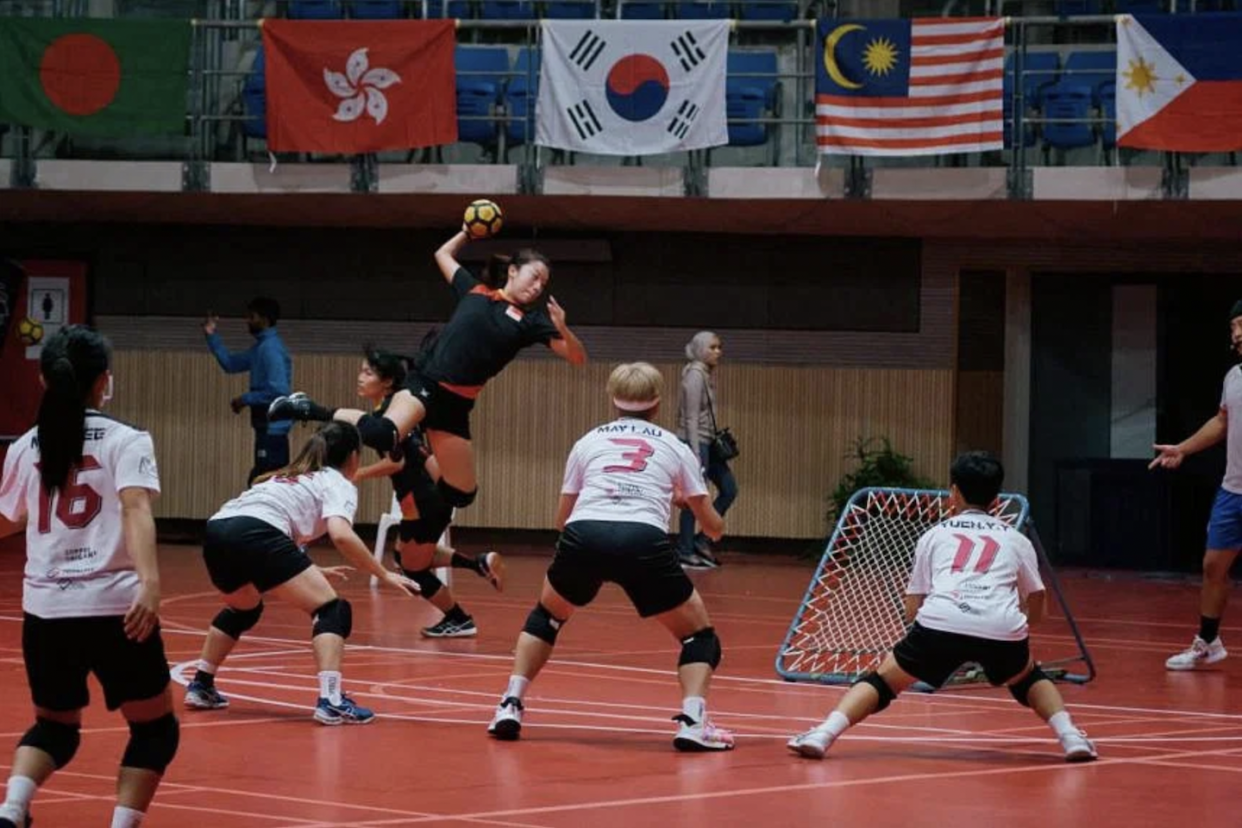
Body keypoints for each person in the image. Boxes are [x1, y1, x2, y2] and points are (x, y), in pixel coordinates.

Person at [787, 451, 1097, 764]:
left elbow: (912, 608)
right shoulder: (1016, 540)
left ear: (954, 492)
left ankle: (822, 734)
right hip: (1001, 627)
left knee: (882, 681)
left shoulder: (934, 535)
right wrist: (1022, 623)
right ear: (996, 498)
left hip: (940, 624)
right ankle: (1071, 738)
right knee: (1029, 677)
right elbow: (1038, 599)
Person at [486, 362, 734, 751]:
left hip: (586, 534)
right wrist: (682, 503)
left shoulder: (589, 442)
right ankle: (692, 721)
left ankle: (509, 704)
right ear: (657, 404)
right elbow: (713, 527)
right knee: (698, 635)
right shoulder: (674, 446)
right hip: (642, 539)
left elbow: (562, 518)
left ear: (612, 399)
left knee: (547, 616)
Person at [268, 226, 587, 515]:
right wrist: (466, 232)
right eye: (533, 277)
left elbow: (577, 357)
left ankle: (415, 446)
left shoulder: (532, 323)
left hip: (457, 405)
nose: (537, 286)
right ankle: (307, 407)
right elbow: (442, 254)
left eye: (543, 283)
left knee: (461, 494)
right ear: (513, 271)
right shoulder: (474, 291)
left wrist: (563, 328)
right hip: (427, 383)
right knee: (383, 432)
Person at [0, 325, 178, 828]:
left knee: (54, 729)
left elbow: (7, 518)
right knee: (155, 730)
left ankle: (12, 810)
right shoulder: (126, 440)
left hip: (46, 614)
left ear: (43, 380)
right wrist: (150, 582)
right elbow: (135, 506)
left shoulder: (26, 447)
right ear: (104, 381)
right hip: (116, 611)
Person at [183, 421, 415, 724]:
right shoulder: (336, 481)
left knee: (244, 608)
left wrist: (310, 568)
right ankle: (331, 701)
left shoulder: (288, 476)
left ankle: (201, 684)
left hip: (217, 530)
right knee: (332, 609)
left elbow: (274, 529)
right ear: (354, 457)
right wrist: (383, 573)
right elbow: (341, 534)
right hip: (256, 532)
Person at [352, 344, 505, 638]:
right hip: (428, 496)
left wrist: (357, 474)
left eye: (368, 372)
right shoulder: (402, 408)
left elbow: (398, 462)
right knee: (405, 556)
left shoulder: (390, 417)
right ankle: (477, 564)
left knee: (413, 569)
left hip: (422, 499)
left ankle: (459, 619)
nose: (360, 377)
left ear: (386, 381)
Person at [1150, 299, 1242, 670]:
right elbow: (1222, 422)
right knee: (1212, 567)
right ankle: (1208, 641)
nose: (1236, 332)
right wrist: (1183, 449)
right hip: (1234, 490)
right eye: (1233, 326)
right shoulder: (1234, 377)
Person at [203, 296, 292, 486]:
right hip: (265, 428)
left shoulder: (270, 349)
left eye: (252, 317)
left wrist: (245, 399)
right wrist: (212, 335)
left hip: (272, 430)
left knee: (264, 483)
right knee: (262, 482)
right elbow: (230, 364)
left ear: (265, 320)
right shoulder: (261, 348)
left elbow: (279, 391)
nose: (247, 321)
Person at [676, 331, 737, 570]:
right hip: (695, 442)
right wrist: (694, 452)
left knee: (729, 489)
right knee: (695, 497)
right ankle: (685, 549)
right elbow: (690, 416)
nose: (717, 352)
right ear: (701, 348)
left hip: (708, 441)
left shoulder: (705, 374)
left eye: (719, 347)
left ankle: (701, 540)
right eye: (712, 347)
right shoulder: (694, 375)